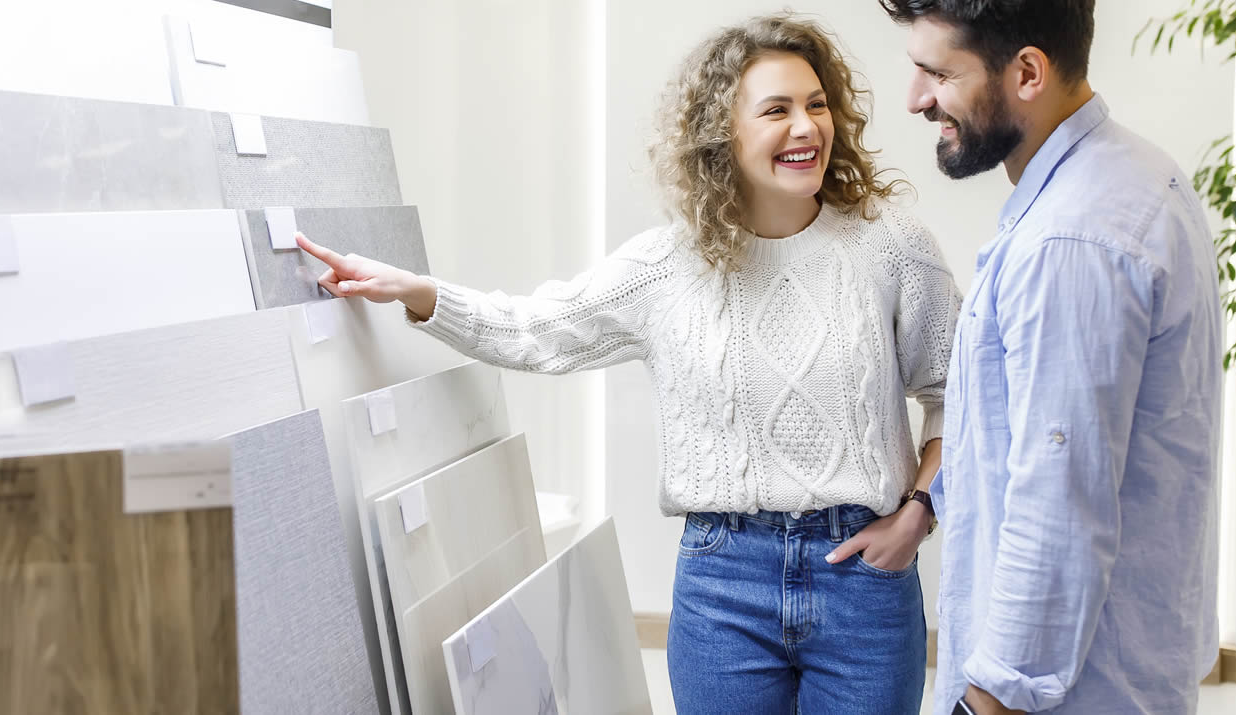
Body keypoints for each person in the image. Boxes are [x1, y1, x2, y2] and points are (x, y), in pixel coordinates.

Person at [298, 12, 961, 714]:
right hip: (723, 587)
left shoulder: (890, 247)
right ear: (723, 134)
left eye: (817, 104)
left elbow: (960, 395)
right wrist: (421, 293)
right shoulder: (671, 266)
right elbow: (535, 328)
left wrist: (919, 512)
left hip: (862, 585)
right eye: (777, 110)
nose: (807, 127)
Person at [879, 1, 1224, 713]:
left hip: (1061, 695)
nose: (916, 98)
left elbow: (1057, 504)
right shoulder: (1133, 175)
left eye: (937, 73)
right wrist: (921, 506)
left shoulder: (1071, 240)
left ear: (1027, 72)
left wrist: (988, 700)